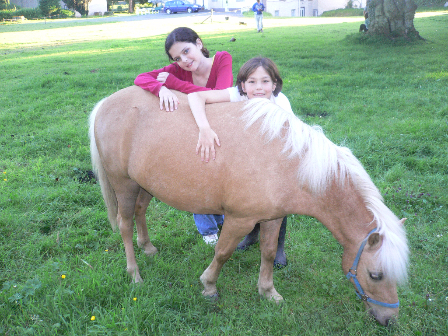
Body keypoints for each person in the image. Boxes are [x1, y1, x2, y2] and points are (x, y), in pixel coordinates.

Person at [134, 27, 233, 246]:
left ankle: (226, 216)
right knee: (198, 171)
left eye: (187, 51)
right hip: (194, 127)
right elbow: (140, 78)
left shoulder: (222, 59)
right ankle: (207, 227)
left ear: (198, 43)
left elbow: (220, 94)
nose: (184, 60)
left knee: (224, 174)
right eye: (177, 58)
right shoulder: (177, 69)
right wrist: (160, 89)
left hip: (224, 127)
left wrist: (173, 84)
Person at [187, 57, 291, 267]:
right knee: (247, 199)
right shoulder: (236, 95)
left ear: (274, 84)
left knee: (277, 201)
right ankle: (252, 236)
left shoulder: (281, 103)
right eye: (252, 82)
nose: (258, 87)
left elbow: (288, 139)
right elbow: (196, 96)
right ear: (243, 85)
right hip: (246, 160)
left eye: (265, 81)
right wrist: (204, 128)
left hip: (273, 160)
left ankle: (278, 246)